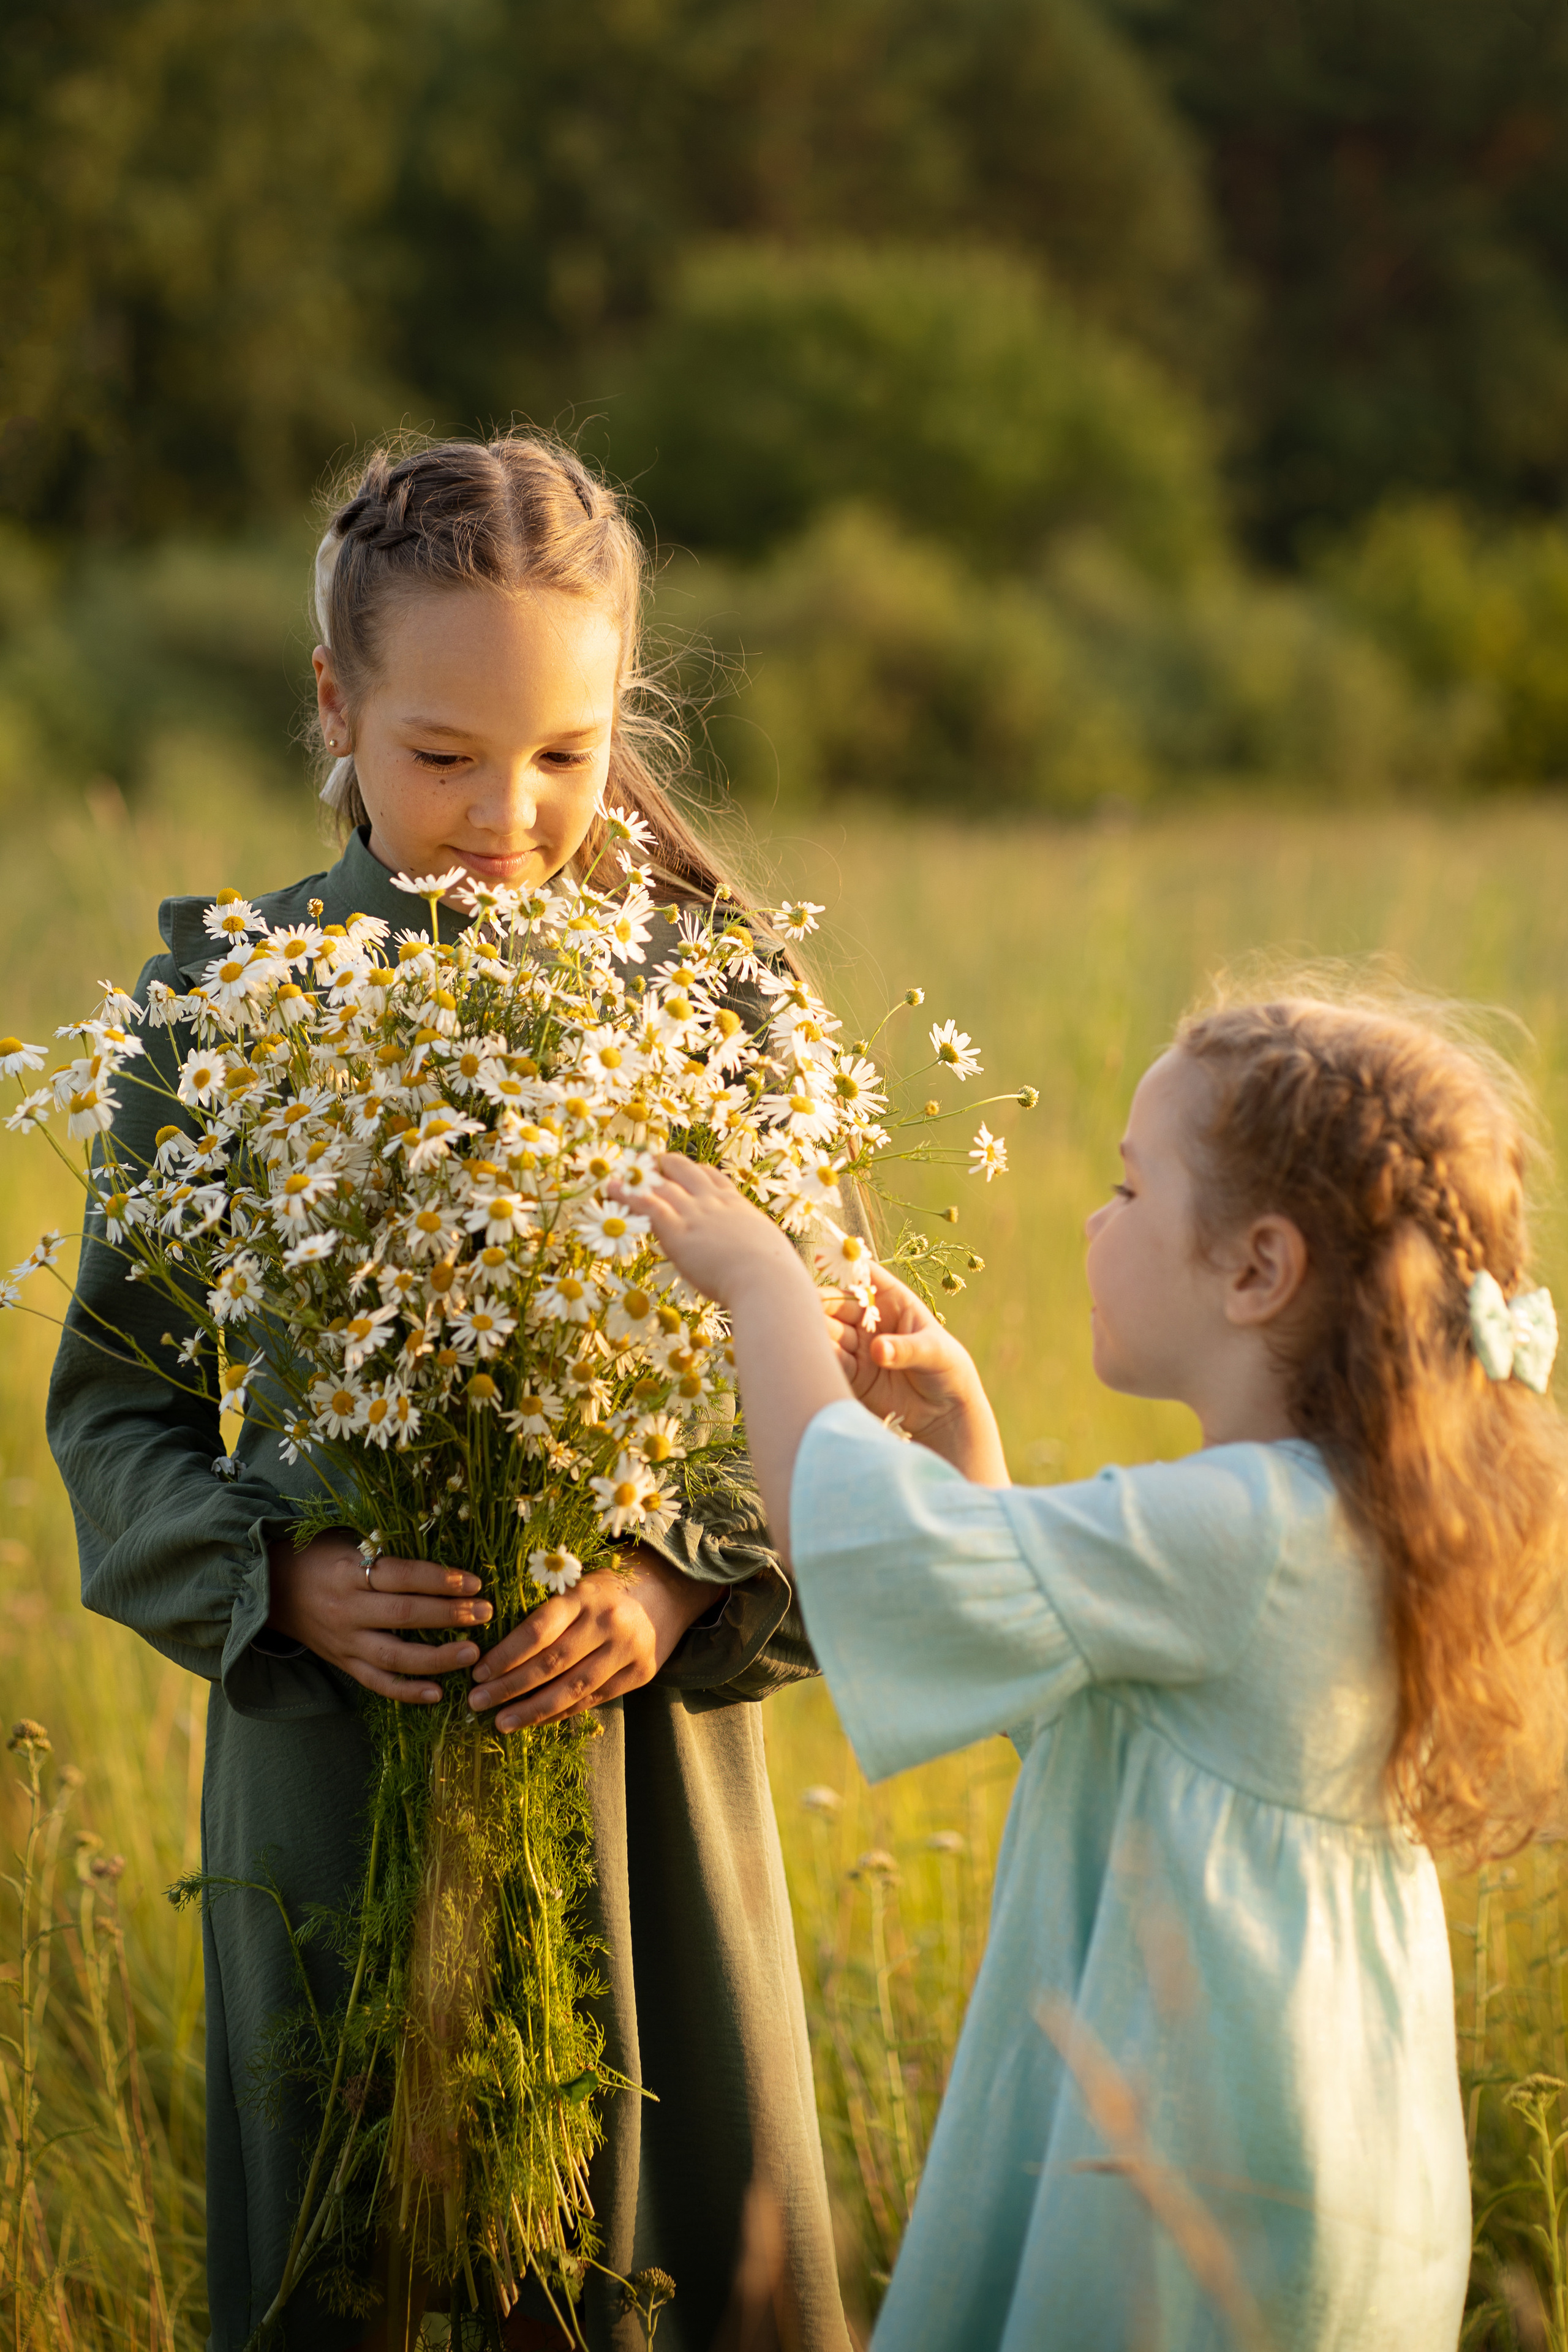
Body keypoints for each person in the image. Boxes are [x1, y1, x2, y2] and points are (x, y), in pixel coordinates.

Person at [47, 434, 850, 2352]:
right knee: (364, 2239)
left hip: (643, 1773)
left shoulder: (718, 995)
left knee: (671, 2243)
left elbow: (827, 1403)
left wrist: (672, 1586)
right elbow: (120, 1412)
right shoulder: (225, 1003)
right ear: (333, 704)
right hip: (342, 1760)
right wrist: (282, 1580)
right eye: (442, 758)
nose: (510, 814)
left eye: (566, 758)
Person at [627, 991, 1568, 2351]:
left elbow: (860, 1547)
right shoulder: (1324, 1509)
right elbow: (1081, 1706)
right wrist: (965, 1444)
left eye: (1128, 1188)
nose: (1092, 1219)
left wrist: (761, 1289)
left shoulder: (1244, 1530)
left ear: (1254, 1270)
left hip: (1199, 2158)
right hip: (1335, 2138)